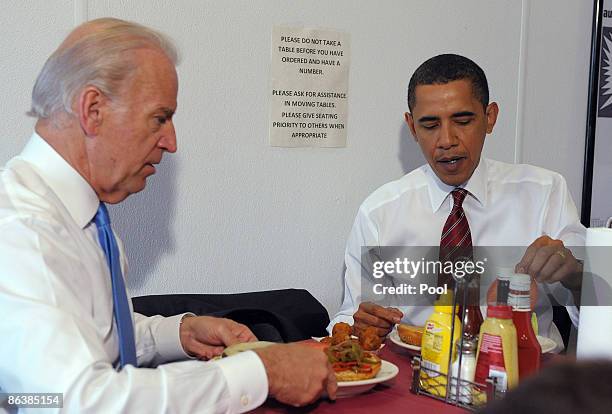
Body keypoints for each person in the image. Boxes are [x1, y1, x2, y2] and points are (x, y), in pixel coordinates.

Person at [0, 18, 335, 412]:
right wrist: (261, 373)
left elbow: (92, 340)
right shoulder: (22, 231)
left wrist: (174, 333)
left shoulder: (80, 219)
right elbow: (71, 402)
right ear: (93, 110)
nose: (171, 142)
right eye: (160, 117)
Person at [329, 54, 584, 351]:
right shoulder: (379, 212)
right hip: (418, 375)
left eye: (463, 121)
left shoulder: (544, 192)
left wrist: (576, 275)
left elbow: (602, 298)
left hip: (523, 380)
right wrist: (362, 324)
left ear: (490, 117)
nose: (447, 140)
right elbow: (351, 318)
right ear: (412, 127)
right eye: (429, 125)